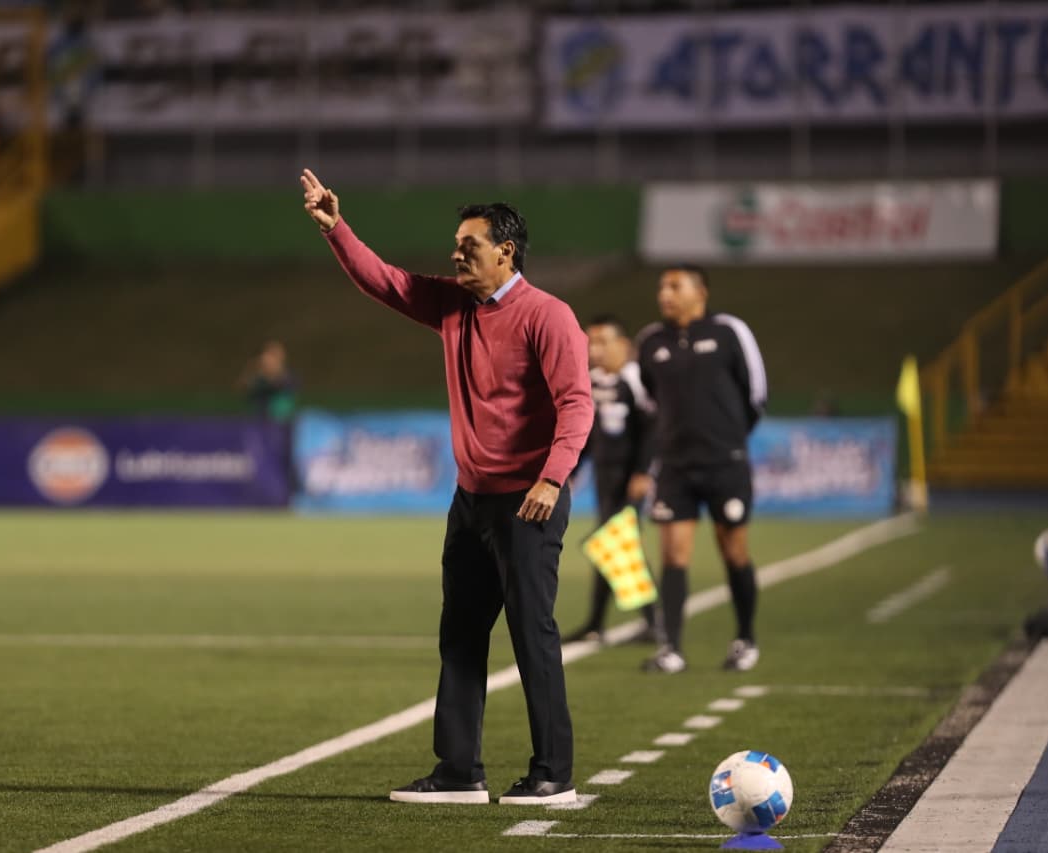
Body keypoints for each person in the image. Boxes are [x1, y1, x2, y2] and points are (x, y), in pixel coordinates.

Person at [300, 169, 593, 805]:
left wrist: (551, 478)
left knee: (531, 634)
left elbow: (577, 403)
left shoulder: (549, 316)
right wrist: (336, 229)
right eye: (456, 244)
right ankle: (460, 772)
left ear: (505, 251)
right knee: (459, 634)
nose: (456, 253)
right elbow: (386, 281)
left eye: (469, 244)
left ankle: (553, 773)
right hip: (470, 501)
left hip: (528, 501)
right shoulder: (453, 304)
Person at [635, 265, 767, 675]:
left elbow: (756, 393)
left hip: (725, 464)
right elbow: (648, 399)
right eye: (662, 287)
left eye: (675, 286)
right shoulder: (650, 340)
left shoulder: (729, 331)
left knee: (734, 550)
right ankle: (672, 648)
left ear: (701, 292)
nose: (665, 294)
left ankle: (745, 638)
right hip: (675, 467)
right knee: (673, 554)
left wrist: (728, 440)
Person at [562, 314, 658, 645]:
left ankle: (652, 621)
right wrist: (573, 470)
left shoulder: (636, 379)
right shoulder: (591, 381)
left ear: (624, 345)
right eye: (591, 343)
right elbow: (587, 434)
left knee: (615, 542)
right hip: (605, 476)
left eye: (603, 342)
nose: (595, 350)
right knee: (612, 544)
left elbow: (652, 428)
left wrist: (643, 471)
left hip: (629, 477)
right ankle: (598, 624)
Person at [239, 339, 296, 422]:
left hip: (280, 420)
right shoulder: (256, 376)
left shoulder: (288, 377)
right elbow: (244, 389)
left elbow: (285, 390)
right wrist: (252, 370)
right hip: (257, 419)